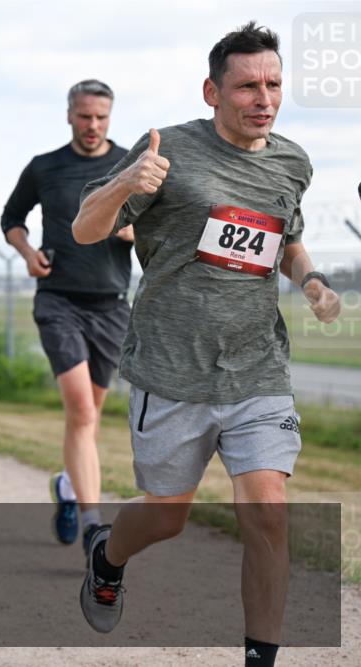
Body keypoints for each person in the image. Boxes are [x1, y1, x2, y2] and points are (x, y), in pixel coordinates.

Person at [71, 23, 341, 667]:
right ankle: (107, 556)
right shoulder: (167, 152)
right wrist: (124, 183)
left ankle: (259, 658)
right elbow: (86, 229)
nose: (263, 98)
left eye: (273, 84)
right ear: (212, 92)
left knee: (269, 514)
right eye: (247, 85)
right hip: (172, 369)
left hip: (255, 368)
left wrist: (312, 281)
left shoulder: (292, 162)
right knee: (166, 516)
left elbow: (285, 238)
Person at [1, 79, 132, 553]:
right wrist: (26, 251)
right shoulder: (45, 167)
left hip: (112, 306)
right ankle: (95, 527)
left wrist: (135, 230)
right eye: (84, 116)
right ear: (69, 114)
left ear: (110, 118)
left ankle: (68, 488)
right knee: (79, 409)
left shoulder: (130, 165)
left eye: (101, 117)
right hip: (58, 299)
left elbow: (161, 224)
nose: (92, 125)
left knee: (89, 418)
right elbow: (11, 218)